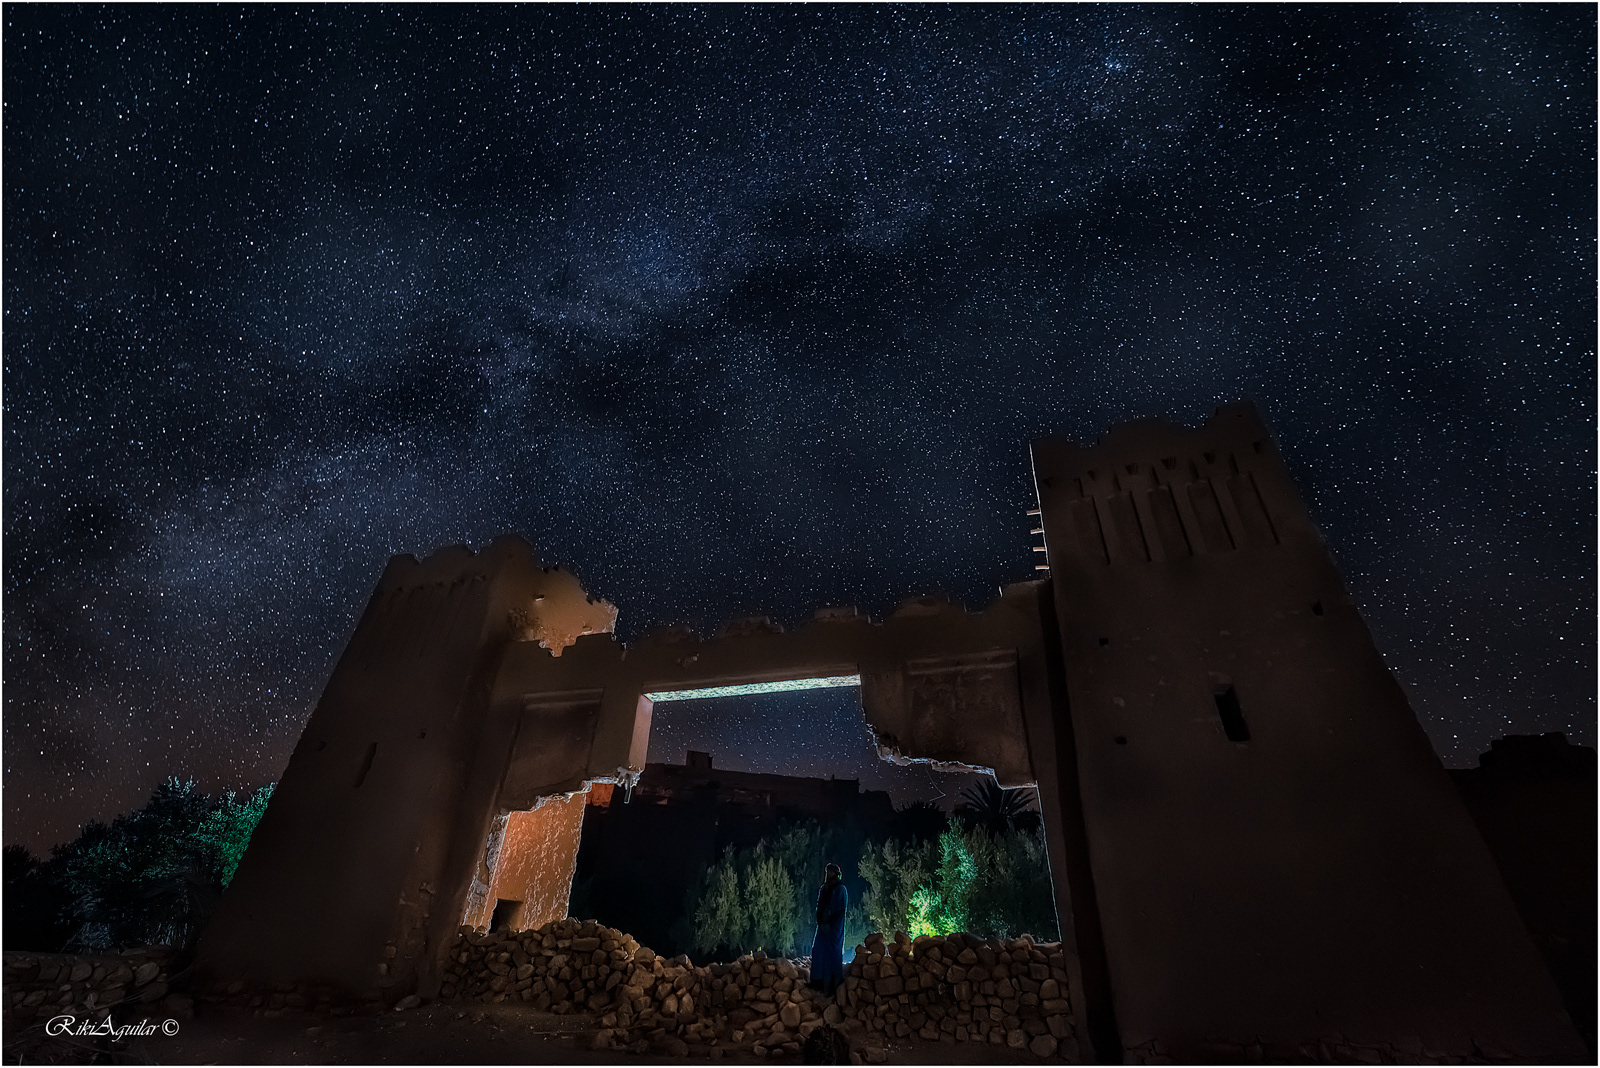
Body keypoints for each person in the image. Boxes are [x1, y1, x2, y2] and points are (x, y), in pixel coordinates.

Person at [809, 862, 848, 995]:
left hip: (834, 928)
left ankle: (833, 984)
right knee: (818, 950)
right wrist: (820, 922)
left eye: (831, 872)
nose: (829, 875)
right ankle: (817, 982)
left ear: (836, 874)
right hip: (823, 927)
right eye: (828, 872)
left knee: (833, 952)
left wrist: (830, 924)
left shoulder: (841, 889)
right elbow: (819, 907)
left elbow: (840, 910)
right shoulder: (823, 888)